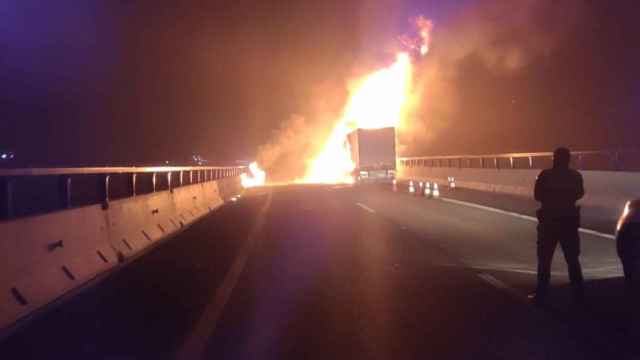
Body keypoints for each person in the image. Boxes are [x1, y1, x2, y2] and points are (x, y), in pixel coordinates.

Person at [530, 147, 585, 305]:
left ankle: (542, 294)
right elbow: (579, 193)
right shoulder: (575, 176)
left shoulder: (545, 175)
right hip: (569, 221)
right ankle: (579, 294)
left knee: (544, 260)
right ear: (568, 159)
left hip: (549, 221)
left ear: (554, 159)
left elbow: (537, 195)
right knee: (573, 260)